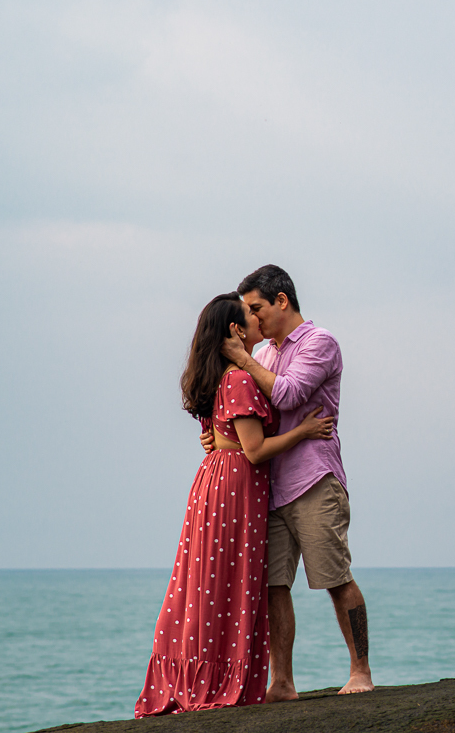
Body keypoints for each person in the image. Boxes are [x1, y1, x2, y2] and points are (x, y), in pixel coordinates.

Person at [135, 292, 334, 717]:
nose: (258, 319)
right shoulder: (240, 378)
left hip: (216, 481)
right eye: (249, 314)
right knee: (226, 584)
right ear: (235, 329)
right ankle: (216, 680)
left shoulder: (225, 375)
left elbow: (225, 434)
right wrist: (304, 432)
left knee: (205, 585)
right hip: (235, 487)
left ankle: (195, 675)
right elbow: (255, 450)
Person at [204, 264, 374, 700]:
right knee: (273, 585)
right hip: (270, 486)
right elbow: (251, 416)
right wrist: (219, 437)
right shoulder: (264, 356)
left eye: (256, 308)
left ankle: (360, 671)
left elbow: (288, 394)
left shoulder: (319, 342)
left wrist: (242, 358)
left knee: (335, 577)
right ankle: (282, 681)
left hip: (314, 479)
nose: (251, 319)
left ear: (282, 301)